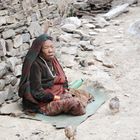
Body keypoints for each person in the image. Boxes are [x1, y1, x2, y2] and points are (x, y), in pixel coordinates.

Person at [18, 34, 93, 116]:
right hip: (44, 102)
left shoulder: (51, 58)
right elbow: (37, 93)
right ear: (39, 50)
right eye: (46, 48)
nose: (50, 50)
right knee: (75, 105)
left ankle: (68, 100)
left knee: (85, 94)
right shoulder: (35, 64)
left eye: (52, 47)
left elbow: (62, 77)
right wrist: (58, 98)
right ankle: (67, 103)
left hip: (57, 91)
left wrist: (65, 91)